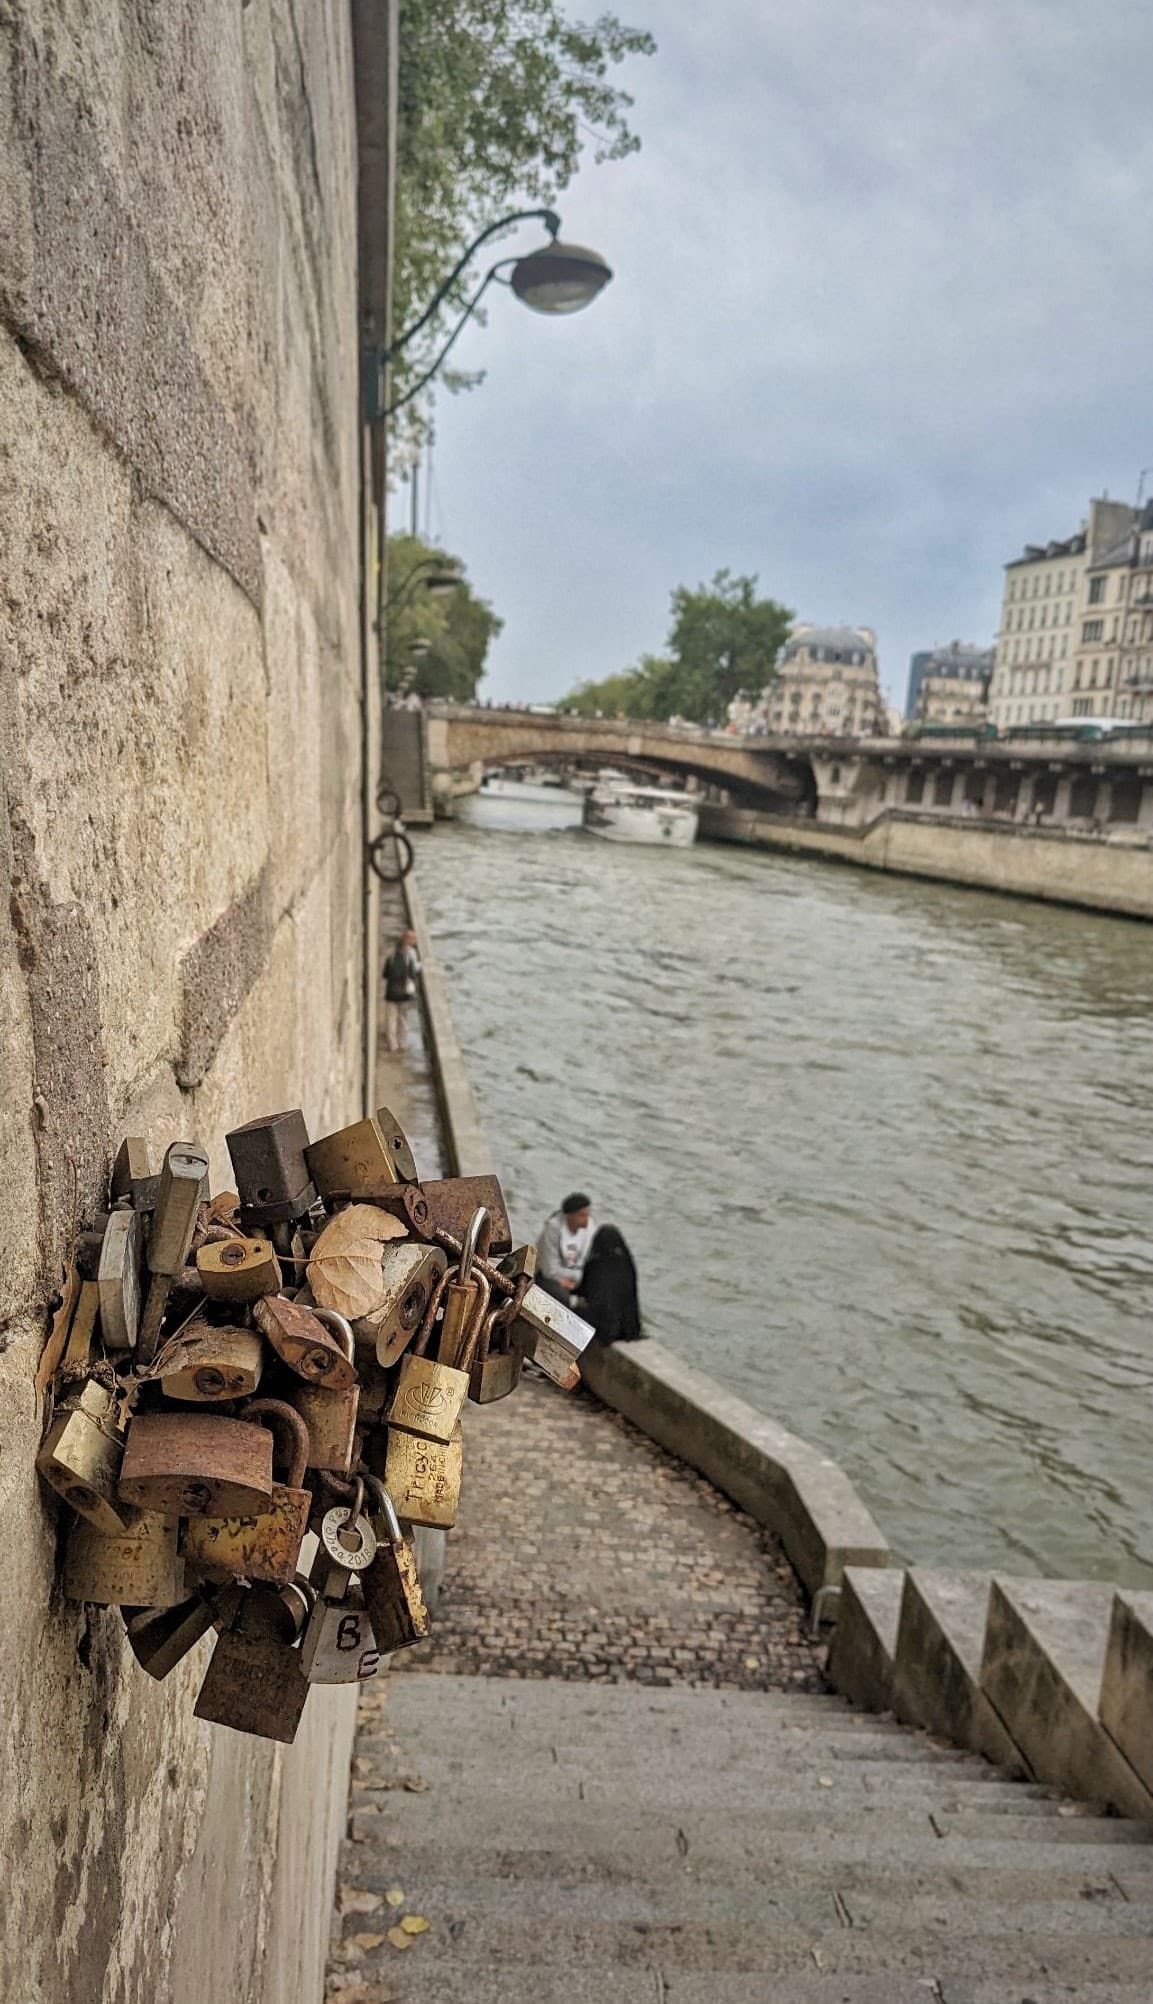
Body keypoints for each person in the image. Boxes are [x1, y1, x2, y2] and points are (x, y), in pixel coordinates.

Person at [578, 1224, 642, 1343]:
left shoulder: (595, 1264)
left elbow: (585, 1292)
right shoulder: (628, 1264)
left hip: (603, 1328)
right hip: (626, 1328)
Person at [536, 1192, 596, 1303]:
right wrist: (562, 1281)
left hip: (576, 1278)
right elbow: (548, 1269)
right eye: (582, 1216)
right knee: (562, 1296)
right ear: (570, 1215)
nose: (586, 1220)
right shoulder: (553, 1228)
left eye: (587, 1215)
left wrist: (577, 1280)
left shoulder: (589, 1228)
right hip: (548, 1277)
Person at [383, 928, 421, 1052]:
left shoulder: (391, 956)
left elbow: (385, 974)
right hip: (404, 994)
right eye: (413, 938)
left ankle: (392, 1045)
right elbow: (413, 974)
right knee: (403, 1019)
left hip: (391, 993)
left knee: (391, 1019)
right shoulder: (409, 956)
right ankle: (401, 1043)